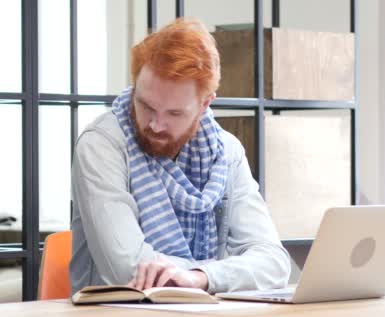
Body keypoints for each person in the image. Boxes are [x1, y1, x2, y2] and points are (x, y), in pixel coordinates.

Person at [69, 18, 290, 295]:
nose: (155, 125)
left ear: (204, 104)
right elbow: (129, 270)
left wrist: (200, 276)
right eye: (146, 106)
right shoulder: (101, 145)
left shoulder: (226, 152)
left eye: (174, 113)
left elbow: (274, 263)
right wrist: (225, 270)